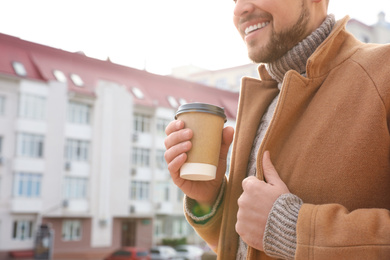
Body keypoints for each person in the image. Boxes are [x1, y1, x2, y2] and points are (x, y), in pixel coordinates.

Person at [164, 0, 390, 259]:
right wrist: (210, 199)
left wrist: (292, 231)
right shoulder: (262, 99)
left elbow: (275, 232)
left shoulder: (384, 72)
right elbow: (247, 244)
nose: (239, 10)